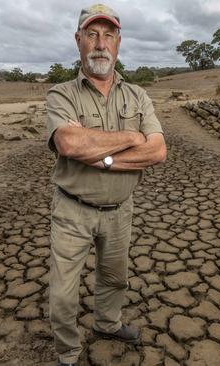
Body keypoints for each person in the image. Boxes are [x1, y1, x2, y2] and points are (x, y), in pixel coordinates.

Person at [45, 4, 167, 365]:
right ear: (78, 40)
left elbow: (158, 150)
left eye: (108, 35)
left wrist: (104, 157)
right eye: (92, 34)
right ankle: (68, 353)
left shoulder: (137, 95)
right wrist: (131, 136)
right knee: (63, 295)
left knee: (115, 279)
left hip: (119, 212)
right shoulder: (61, 94)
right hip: (72, 211)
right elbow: (70, 144)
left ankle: (107, 324)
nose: (101, 43)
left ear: (118, 42)